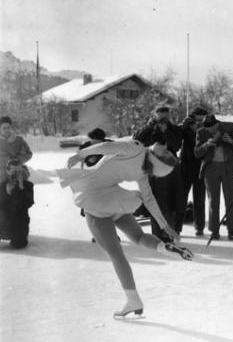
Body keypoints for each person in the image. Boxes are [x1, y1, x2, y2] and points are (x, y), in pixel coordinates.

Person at [57, 139, 193, 317]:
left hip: (94, 197)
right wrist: (165, 226)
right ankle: (163, 247)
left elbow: (107, 146)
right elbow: (149, 199)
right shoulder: (143, 173)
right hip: (117, 198)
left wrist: (80, 154)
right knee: (138, 237)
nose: (166, 149)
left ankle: (133, 300)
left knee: (115, 254)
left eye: (165, 152)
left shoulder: (135, 149)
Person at [133, 106, 184, 240]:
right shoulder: (149, 128)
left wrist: (166, 131)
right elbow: (136, 140)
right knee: (154, 200)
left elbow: (177, 146)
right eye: (160, 117)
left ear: (169, 116)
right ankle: (157, 234)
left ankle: (169, 233)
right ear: (155, 116)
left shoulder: (175, 128)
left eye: (165, 117)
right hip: (151, 167)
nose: (162, 120)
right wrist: (150, 126)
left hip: (169, 167)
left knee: (170, 201)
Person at [195, 120, 233, 241]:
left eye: (212, 128)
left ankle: (231, 230)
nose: (210, 131)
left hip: (229, 167)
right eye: (208, 129)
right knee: (213, 200)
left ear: (217, 124)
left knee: (231, 198)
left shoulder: (230, 127)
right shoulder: (201, 132)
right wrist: (207, 144)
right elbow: (197, 152)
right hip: (211, 168)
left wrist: (231, 141)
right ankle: (214, 230)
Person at [178, 106, 209, 236]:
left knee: (199, 199)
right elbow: (178, 136)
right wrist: (185, 126)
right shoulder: (186, 126)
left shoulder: (208, 127)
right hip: (185, 166)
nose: (199, 123)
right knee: (181, 198)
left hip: (201, 167)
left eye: (202, 120)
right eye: (197, 120)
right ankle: (176, 227)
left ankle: (199, 227)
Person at [0, 159, 34, 249]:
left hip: (19, 222)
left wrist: (21, 188)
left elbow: (28, 203)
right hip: (3, 220)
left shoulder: (28, 186)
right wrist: (7, 193)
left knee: (19, 245)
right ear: (8, 171)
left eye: (19, 171)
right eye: (14, 171)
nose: (17, 174)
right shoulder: (2, 186)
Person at [0, 116, 32, 185]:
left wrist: (18, 160)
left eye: (8, 127)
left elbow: (29, 153)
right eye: (4, 128)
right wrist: (8, 161)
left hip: (19, 178)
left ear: (11, 127)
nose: (7, 130)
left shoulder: (19, 140)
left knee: (21, 195)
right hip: (2, 178)